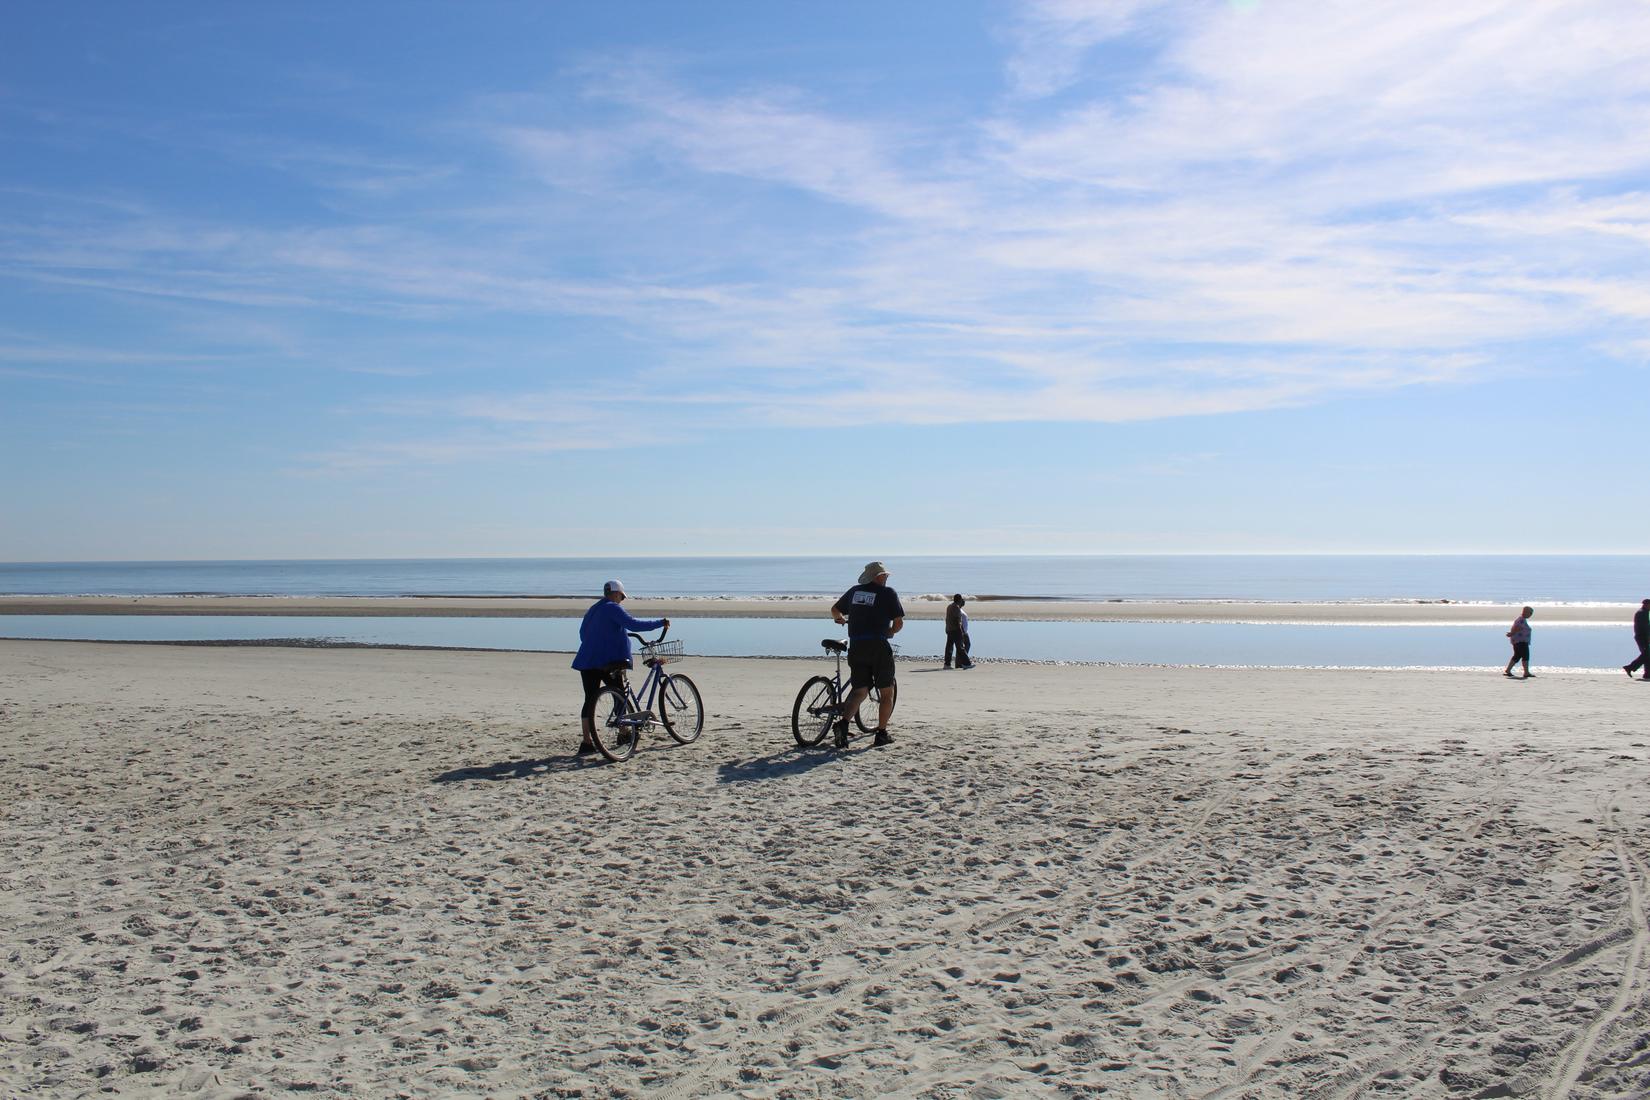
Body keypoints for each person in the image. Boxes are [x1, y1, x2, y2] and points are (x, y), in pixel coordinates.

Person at [570, 580, 668, 755]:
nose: (621, 600)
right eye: (621, 597)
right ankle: (623, 734)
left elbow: (583, 634)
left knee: (590, 700)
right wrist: (659, 623)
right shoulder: (612, 608)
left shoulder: (593, 609)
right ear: (616, 594)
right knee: (619, 696)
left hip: (586, 660)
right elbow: (634, 624)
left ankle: (587, 742)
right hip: (608, 662)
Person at [830, 561, 904, 748]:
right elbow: (898, 623)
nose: (886, 578)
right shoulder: (888, 593)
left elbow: (835, 610)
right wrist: (891, 632)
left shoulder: (855, 591)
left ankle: (843, 724)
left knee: (860, 690)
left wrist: (840, 619)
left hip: (857, 646)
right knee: (887, 692)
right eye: (884, 575)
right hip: (878, 646)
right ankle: (881, 733)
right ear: (878, 577)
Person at [944, 593, 974, 670]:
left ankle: (947, 664)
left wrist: (947, 628)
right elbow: (958, 621)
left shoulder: (949, 606)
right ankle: (966, 663)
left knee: (949, 647)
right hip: (955, 630)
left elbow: (947, 619)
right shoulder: (956, 608)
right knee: (960, 647)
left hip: (949, 629)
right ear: (959, 600)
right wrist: (961, 631)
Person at [1503, 606, 1534, 679]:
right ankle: (1526, 672)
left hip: (1519, 641)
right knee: (1525, 656)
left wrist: (1511, 633)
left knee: (1517, 656)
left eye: (1531, 613)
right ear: (1525, 612)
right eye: (1530, 613)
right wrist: (1511, 633)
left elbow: (1516, 628)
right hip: (1520, 641)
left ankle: (1508, 670)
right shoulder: (1521, 620)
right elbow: (1517, 627)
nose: (1531, 614)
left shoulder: (1522, 619)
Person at [1624, 599, 1650, 680]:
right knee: (1646, 654)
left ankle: (1647, 674)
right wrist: (1648, 637)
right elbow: (1645, 628)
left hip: (1641, 636)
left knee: (1647, 655)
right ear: (1646, 604)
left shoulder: (1644, 612)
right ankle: (1630, 667)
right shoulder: (1642, 613)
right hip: (1642, 637)